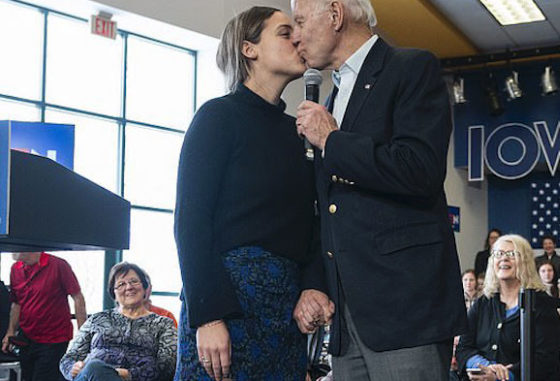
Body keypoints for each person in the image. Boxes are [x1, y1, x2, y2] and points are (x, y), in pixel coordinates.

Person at [291, 0, 468, 379]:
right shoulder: (333, 96)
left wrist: (333, 141)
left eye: (301, 21)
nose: (295, 36)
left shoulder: (411, 68)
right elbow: (330, 209)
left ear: (335, 15)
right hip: (346, 319)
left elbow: (420, 169)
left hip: (406, 312)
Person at [174, 7, 331, 381]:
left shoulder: (299, 132)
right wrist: (208, 316)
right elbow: (190, 222)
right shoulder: (217, 117)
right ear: (249, 49)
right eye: (283, 32)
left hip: (284, 309)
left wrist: (312, 285)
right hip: (226, 304)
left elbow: (314, 223)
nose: (297, 38)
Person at [456, 234, 560, 381]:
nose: (504, 258)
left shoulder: (542, 305)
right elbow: (463, 348)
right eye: (498, 254)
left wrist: (503, 376)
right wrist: (484, 367)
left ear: (525, 261)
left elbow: (545, 359)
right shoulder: (482, 304)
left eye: (512, 254)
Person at [59, 262, 177, 381]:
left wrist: (129, 374)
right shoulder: (97, 319)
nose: (129, 287)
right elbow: (69, 358)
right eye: (121, 284)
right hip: (91, 376)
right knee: (94, 368)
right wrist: (73, 368)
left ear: (145, 287)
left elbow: (167, 367)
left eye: (134, 281)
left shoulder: (163, 324)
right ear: (113, 293)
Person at [2, 252, 86, 381]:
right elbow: (16, 303)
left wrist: (83, 335)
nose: (12, 250)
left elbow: (77, 298)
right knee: (26, 377)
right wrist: (10, 331)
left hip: (54, 338)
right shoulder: (15, 268)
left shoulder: (58, 265)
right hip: (27, 337)